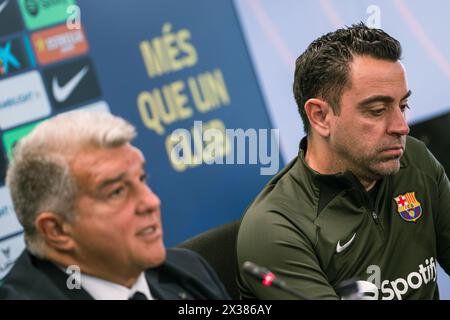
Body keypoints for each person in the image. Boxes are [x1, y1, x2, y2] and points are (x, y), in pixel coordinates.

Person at [236, 22, 450, 300]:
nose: (402, 126)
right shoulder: (276, 229)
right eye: (377, 110)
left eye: (403, 106)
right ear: (320, 116)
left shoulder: (413, 158)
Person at [0, 110, 230, 300]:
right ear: (57, 230)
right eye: (117, 191)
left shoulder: (189, 271)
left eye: (141, 178)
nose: (151, 201)